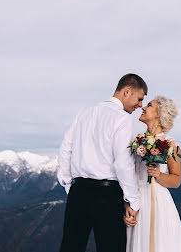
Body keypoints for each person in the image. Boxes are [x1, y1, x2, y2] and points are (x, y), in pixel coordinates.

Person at [57, 73, 148, 252]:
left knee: (70, 247)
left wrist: (70, 185)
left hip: (78, 191)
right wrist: (133, 201)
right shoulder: (122, 119)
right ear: (127, 91)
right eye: (139, 99)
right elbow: (123, 163)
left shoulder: (84, 112)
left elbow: (65, 149)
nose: (140, 105)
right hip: (107, 195)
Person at [125, 96, 181, 252]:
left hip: (158, 204)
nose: (143, 107)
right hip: (135, 203)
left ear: (159, 114)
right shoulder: (136, 142)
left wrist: (159, 175)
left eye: (149, 105)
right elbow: (125, 177)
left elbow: (176, 180)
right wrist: (126, 205)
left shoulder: (172, 145)